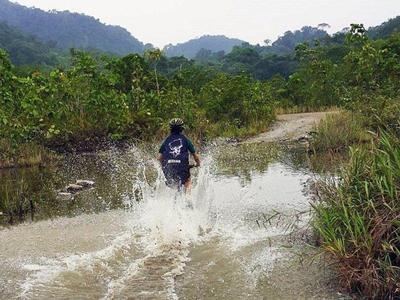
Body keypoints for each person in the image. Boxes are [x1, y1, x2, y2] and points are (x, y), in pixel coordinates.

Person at [158, 118, 201, 192]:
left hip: (169, 167)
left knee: (173, 183)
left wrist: (163, 166)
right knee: (187, 181)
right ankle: (187, 198)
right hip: (182, 167)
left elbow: (159, 158)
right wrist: (198, 164)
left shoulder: (167, 140)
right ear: (182, 128)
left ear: (170, 128)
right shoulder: (185, 140)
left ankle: (175, 198)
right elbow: (195, 156)